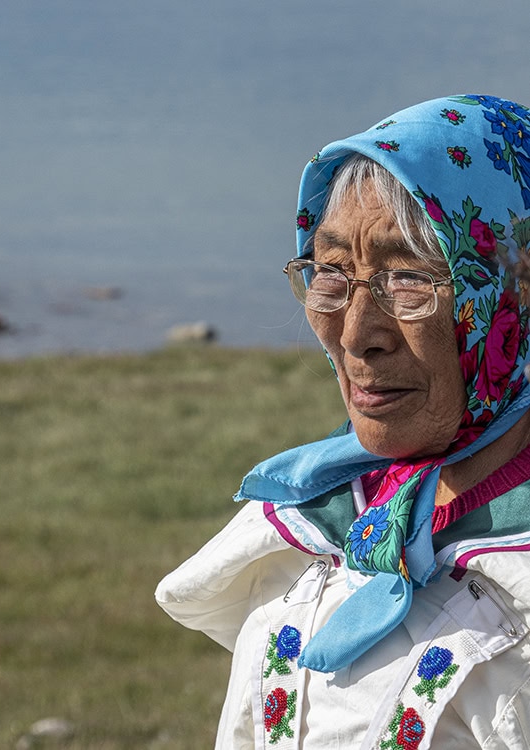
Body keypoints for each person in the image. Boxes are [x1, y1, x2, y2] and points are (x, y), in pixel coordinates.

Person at [155, 94, 530, 749]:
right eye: (329, 272)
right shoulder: (308, 531)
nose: (355, 335)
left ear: (511, 294)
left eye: (409, 280)